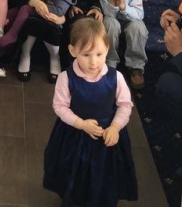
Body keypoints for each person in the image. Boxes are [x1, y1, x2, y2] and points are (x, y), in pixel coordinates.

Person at [43, 18, 138, 206]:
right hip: (75, 135)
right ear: (73, 51)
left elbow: (125, 105)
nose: (94, 62)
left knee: (105, 175)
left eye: (99, 54)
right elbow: (60, 107)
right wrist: (81, 124)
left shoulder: (116, 77)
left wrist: (115, 127)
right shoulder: (66, 78)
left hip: (107, 137)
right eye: (86, 55)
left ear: (107, 49)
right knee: (74, 172)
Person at [14, 0, 80, 83]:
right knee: (31, 25)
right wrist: (33, 1)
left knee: (52, 31)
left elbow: (60, 9)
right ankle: (25, 55)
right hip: (35, 14)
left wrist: (61, 17)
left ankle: (55, 58)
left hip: (51, 20)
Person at [97, 0, 147, 90]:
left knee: (138, 27)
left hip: (130, 21)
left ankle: (136, 66)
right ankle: (110, 63)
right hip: (113, 19)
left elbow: (139, 15)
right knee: (109, 23)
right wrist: (113, 2)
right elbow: (108, 15)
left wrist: (124, 7)